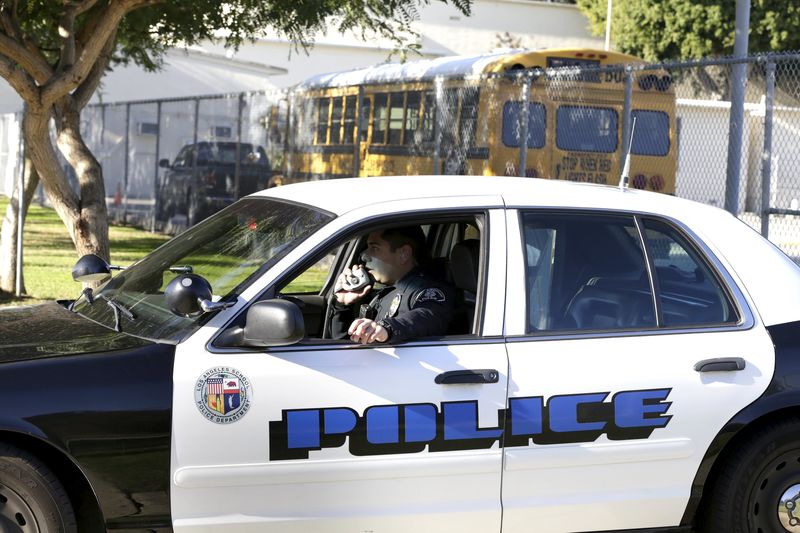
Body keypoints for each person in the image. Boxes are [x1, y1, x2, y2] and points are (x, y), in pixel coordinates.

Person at [330, 226, 455, 344]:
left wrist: (386, 328)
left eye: (374, 248)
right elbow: (346, 345)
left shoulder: (429, 292)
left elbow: (426, 316)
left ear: (403, 254)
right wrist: (342, 305)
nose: (364, 256)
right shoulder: (384, 292)